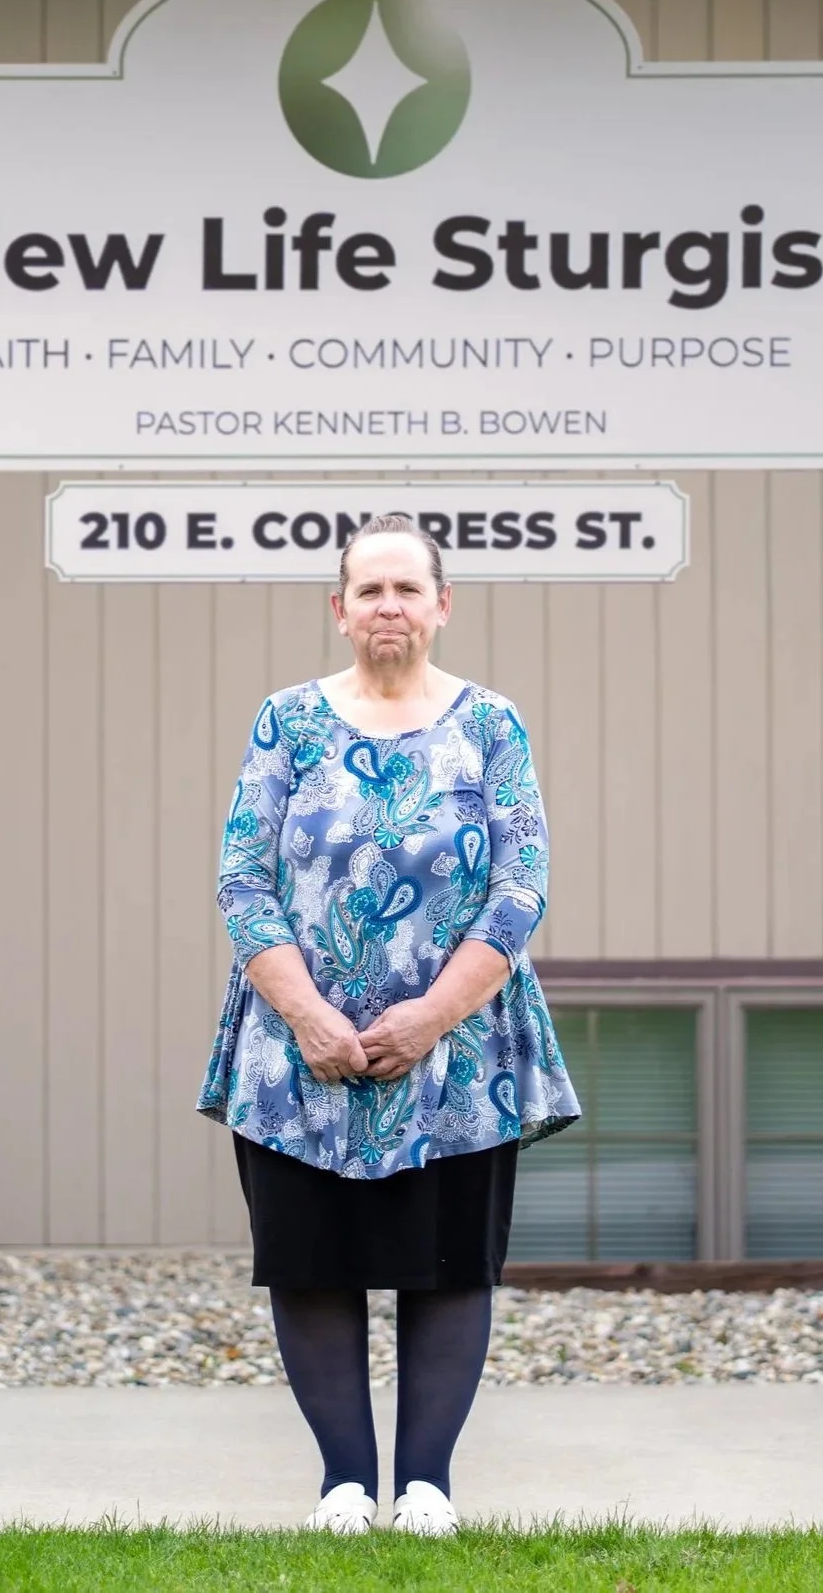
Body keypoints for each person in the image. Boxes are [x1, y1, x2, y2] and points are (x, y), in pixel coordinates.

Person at [197, 513, 581, 1534]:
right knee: (311, 1260)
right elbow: (242, 879)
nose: (389, 607)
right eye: (369, 590)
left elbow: (521, 885)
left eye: (408, 588)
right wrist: (311, 1015)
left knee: (450, 1263)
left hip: (461, 1053)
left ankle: (425, 1490)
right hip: (295, 1055)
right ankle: (342, 1486)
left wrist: (432, 1015)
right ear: (339, 610)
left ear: (442, 605)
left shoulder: (492, 724)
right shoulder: (287, 721)